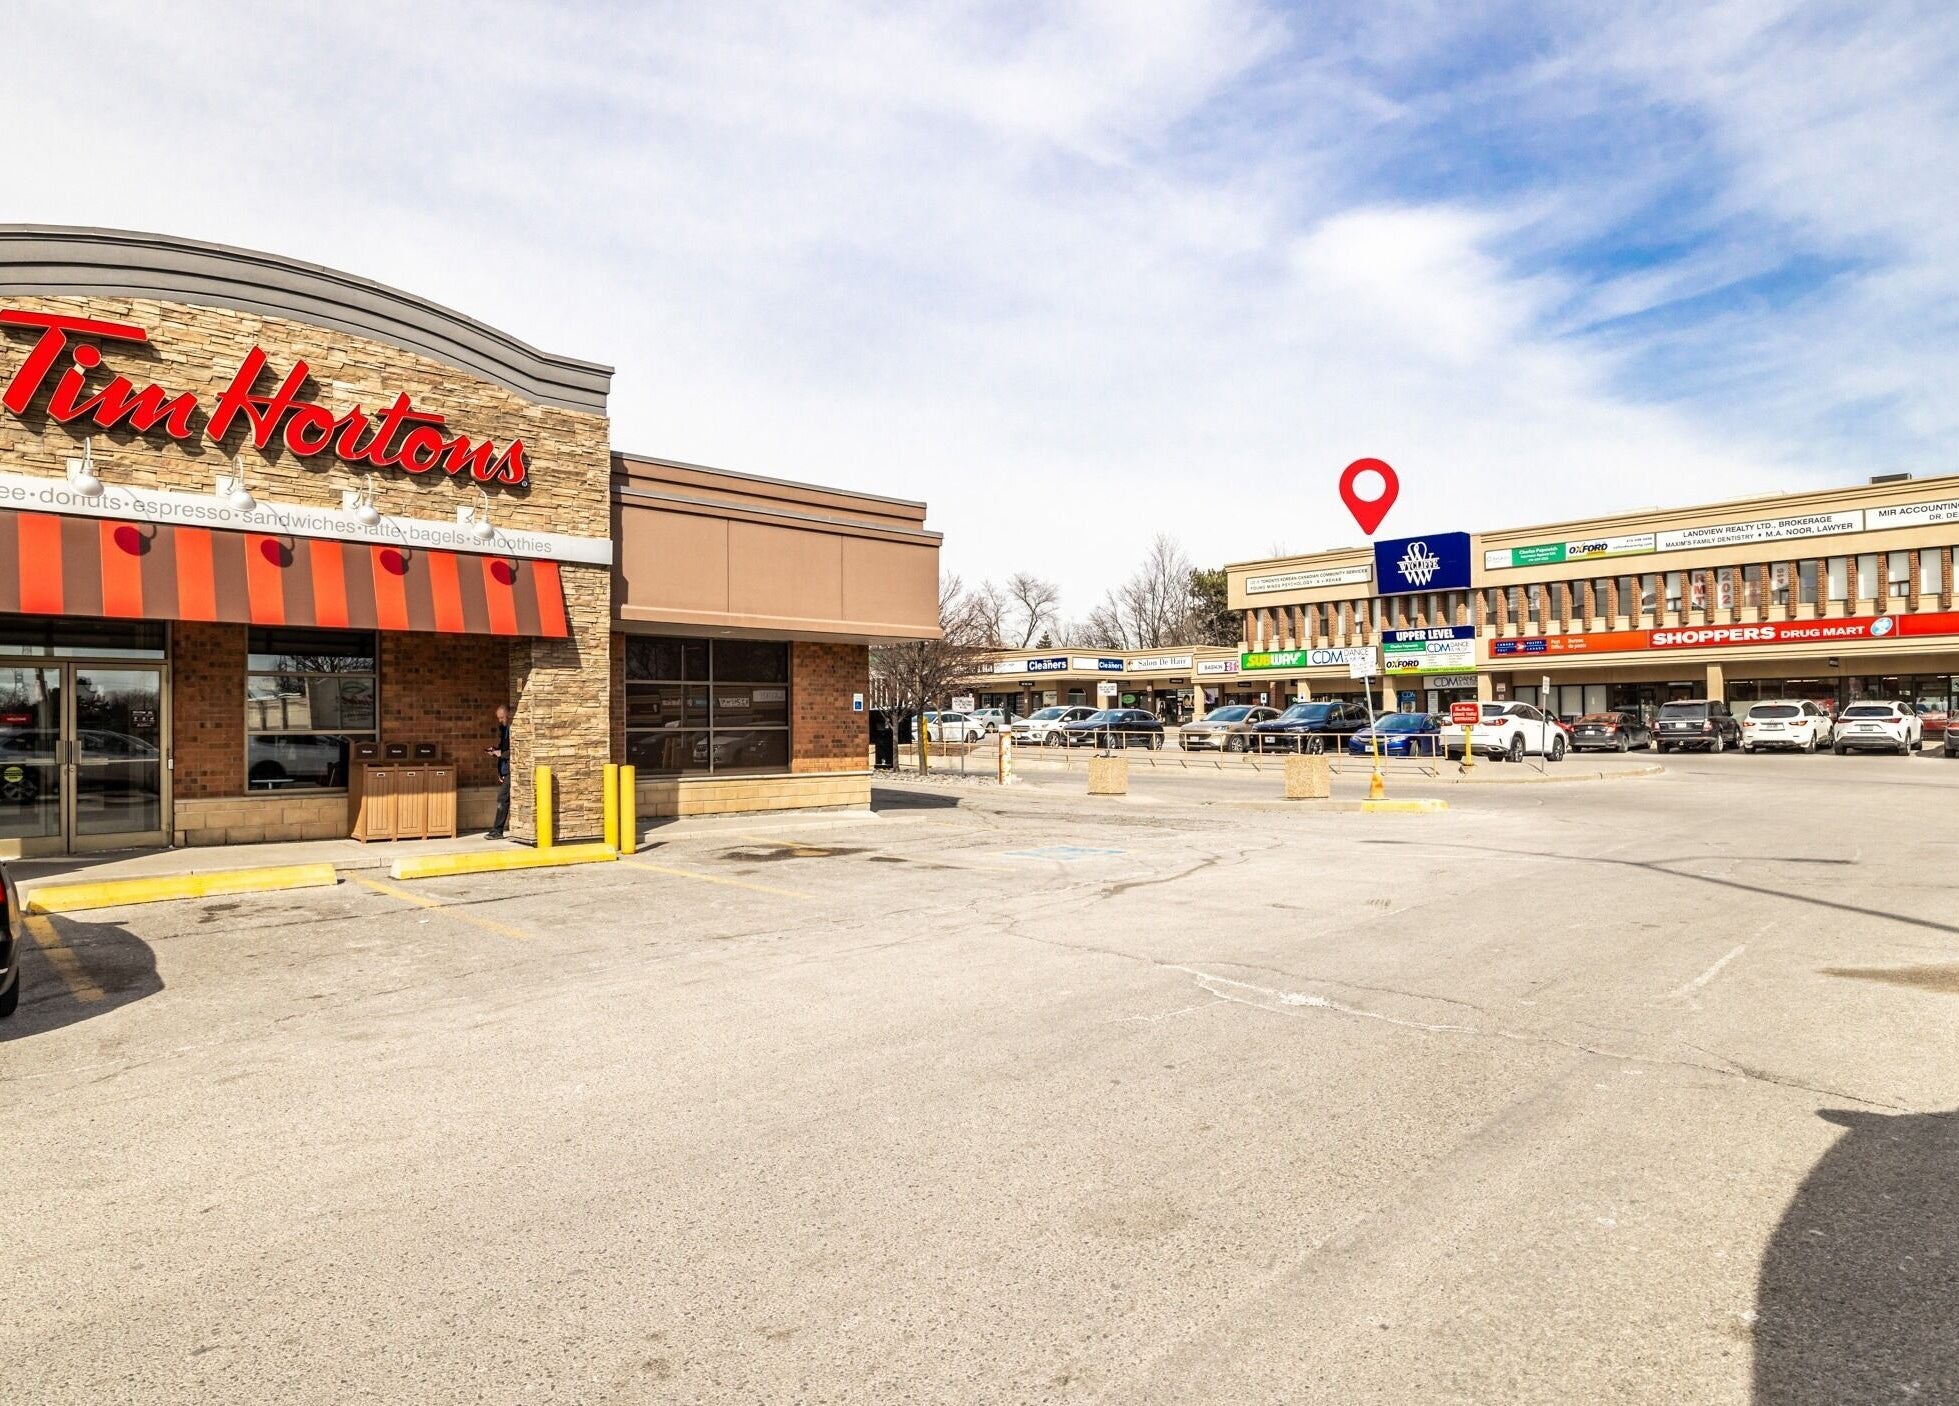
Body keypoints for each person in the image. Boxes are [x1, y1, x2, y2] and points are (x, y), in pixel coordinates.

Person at [486, 703, 511, 839]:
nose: (500, 721)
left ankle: (497, 830)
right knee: (504, 798)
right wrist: (496, 750)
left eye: (502, 718)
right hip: (505, 769)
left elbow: (514, 751)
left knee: (503, 798)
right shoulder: (504, 730)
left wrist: (500, 753)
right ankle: (497, 829)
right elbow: (504, 750)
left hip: (511, 770)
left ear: (509, 715)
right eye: (499, 718)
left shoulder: (513, 730)